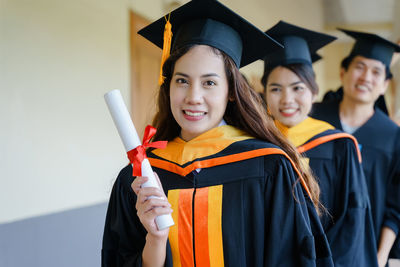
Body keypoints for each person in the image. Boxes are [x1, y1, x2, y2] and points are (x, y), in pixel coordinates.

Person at [101, 1, 333, 266]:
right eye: (182, 80)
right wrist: (155, 239)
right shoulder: (140, 177)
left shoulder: (269, 167)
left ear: (232, 91)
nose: (193, 97)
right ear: (168, 87)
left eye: (209, 82)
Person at [261, 20, 377, 267]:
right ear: (264, 93)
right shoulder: (254, 146)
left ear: (314, 91)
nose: (287, 99)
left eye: (297, 88)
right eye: (275, 89)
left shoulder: (338, 145)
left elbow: (351, 221)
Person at [311, 28, 400, 267]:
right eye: (359, 67)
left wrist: (380, 258)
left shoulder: (393, 136)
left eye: (376, 72)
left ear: (385, 84)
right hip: (309, 248)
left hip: (363, 256)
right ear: (343, 72)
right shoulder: (313, 119)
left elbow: (396, 207)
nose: (366, 77)